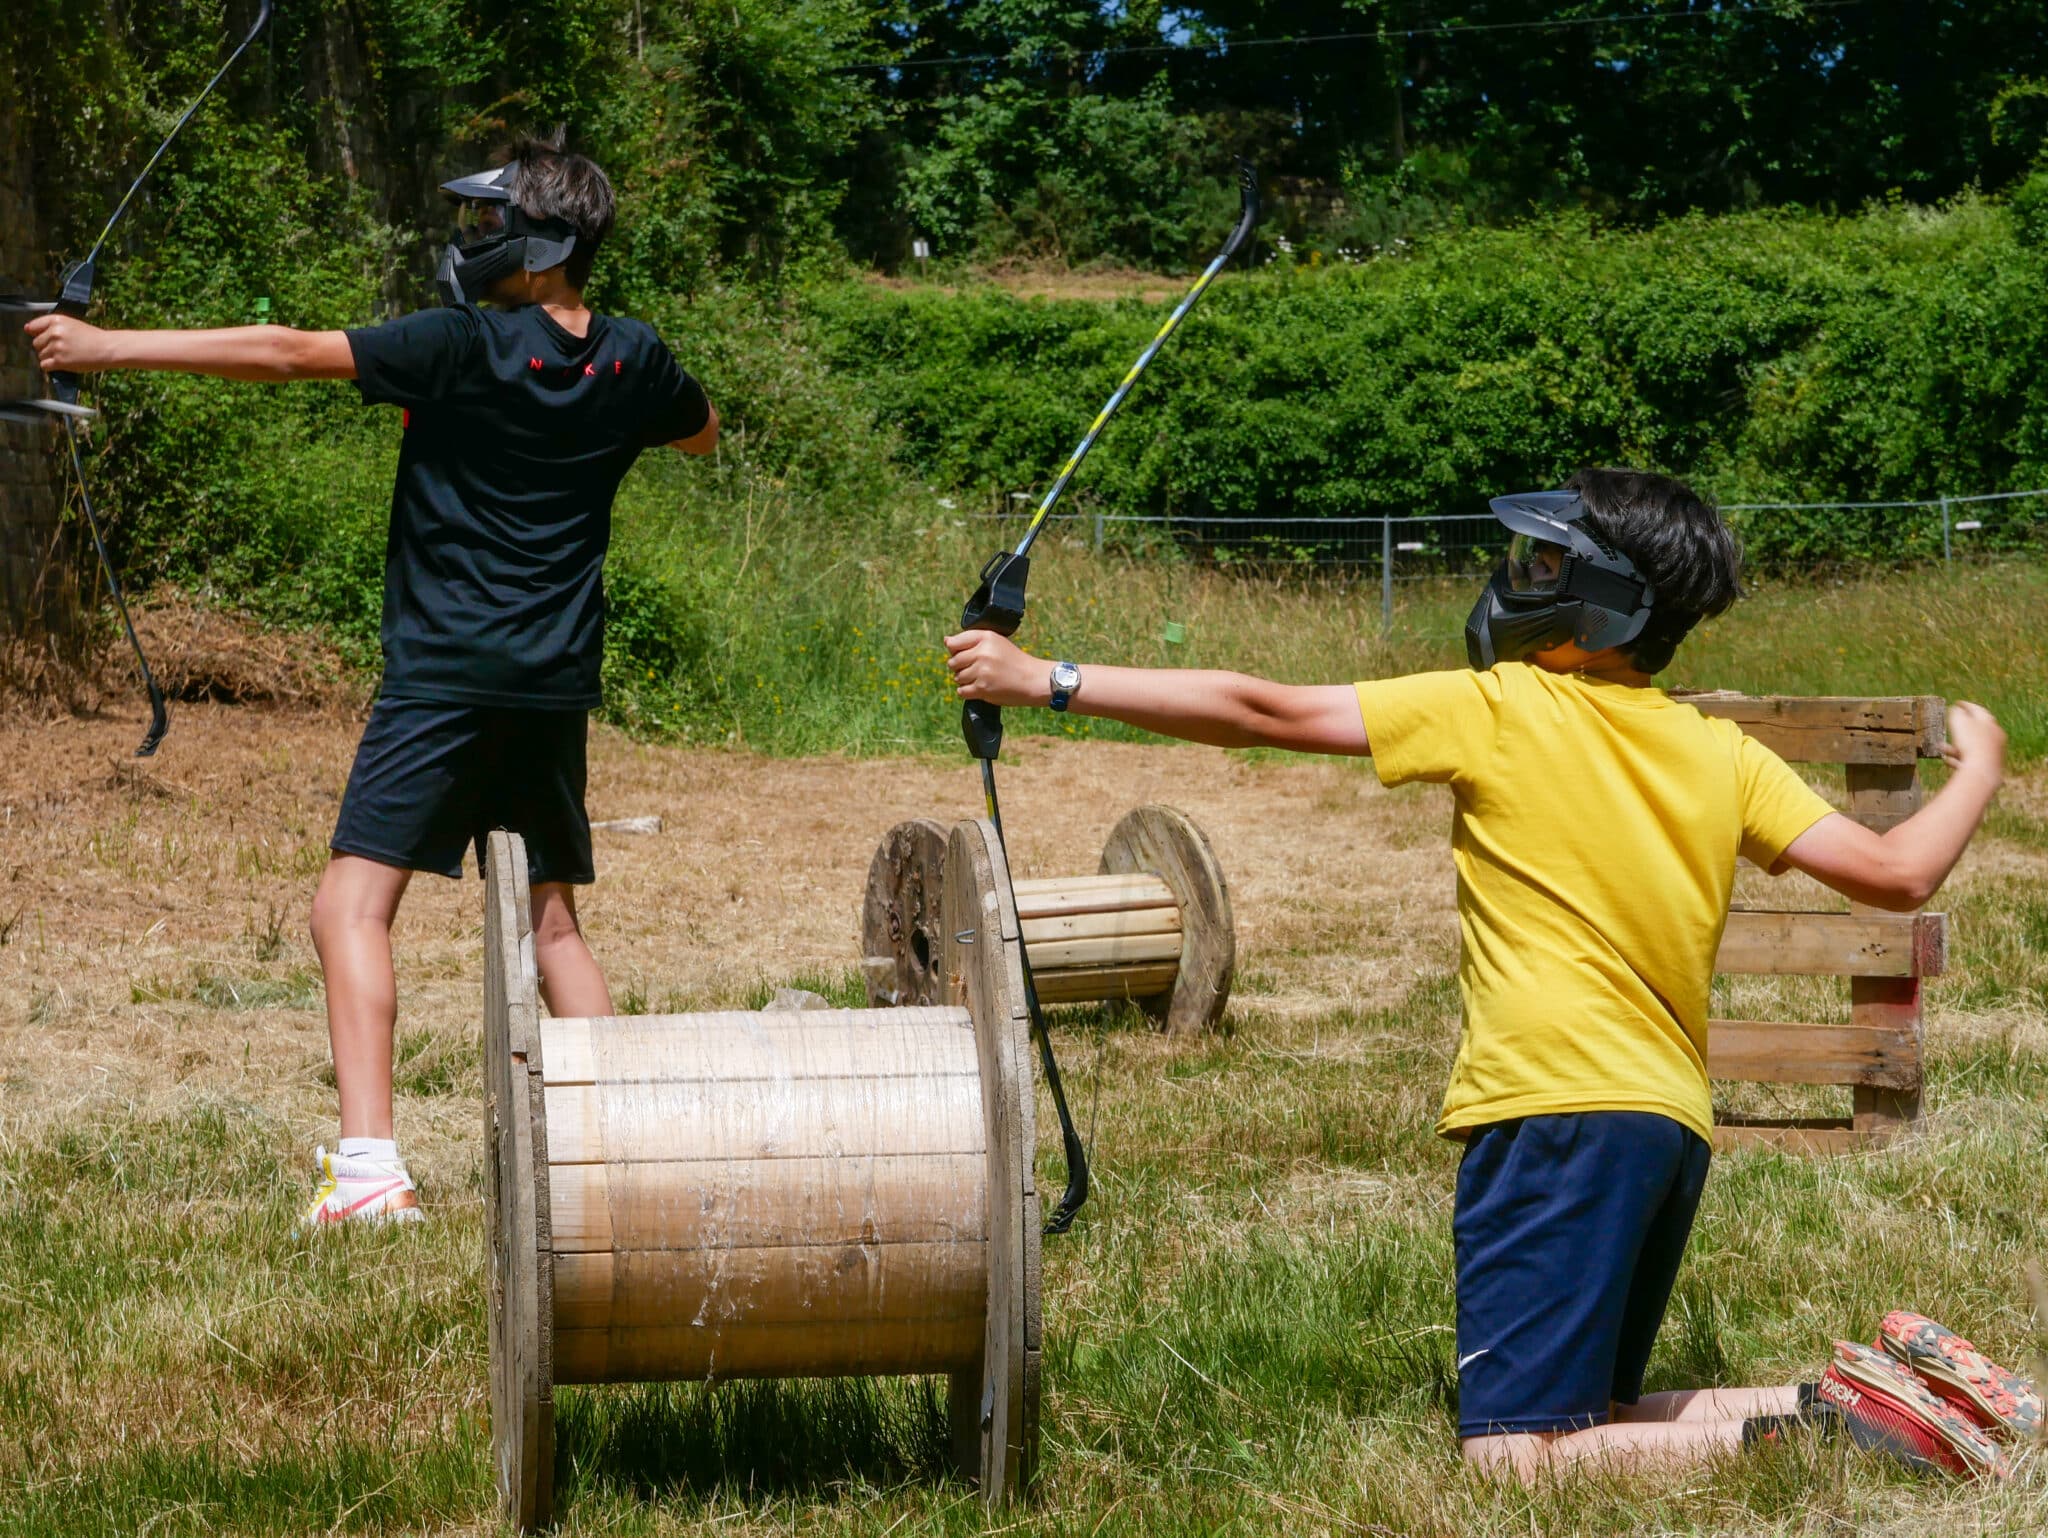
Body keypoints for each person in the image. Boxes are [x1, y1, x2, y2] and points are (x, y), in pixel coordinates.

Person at [946, 467, 2031, 1478]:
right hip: (1662, 1126)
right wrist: (1980, 764)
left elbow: (1260, 709)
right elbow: (1896, 871)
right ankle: (1865, 1400)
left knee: (1511, 1454)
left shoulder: (1503, 706)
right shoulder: (1719, 750)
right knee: (1585, 1419)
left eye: (1544, 568)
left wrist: (1046, 678)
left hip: (1550, 1113)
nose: (1517, 583)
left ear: (1598, 602)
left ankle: (1831, 1426)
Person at [27, 136, 719, 1226]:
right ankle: (627, 1159)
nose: (473, 242)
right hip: (550, 682)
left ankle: (367, 1176)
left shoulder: (459, 346)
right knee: (553, 926)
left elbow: (287, 350)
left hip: (442, 674)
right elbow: (702, 436)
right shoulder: (633, 358)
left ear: (538, 248)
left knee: (347, 906)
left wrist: (101, 345)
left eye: (493, 226)